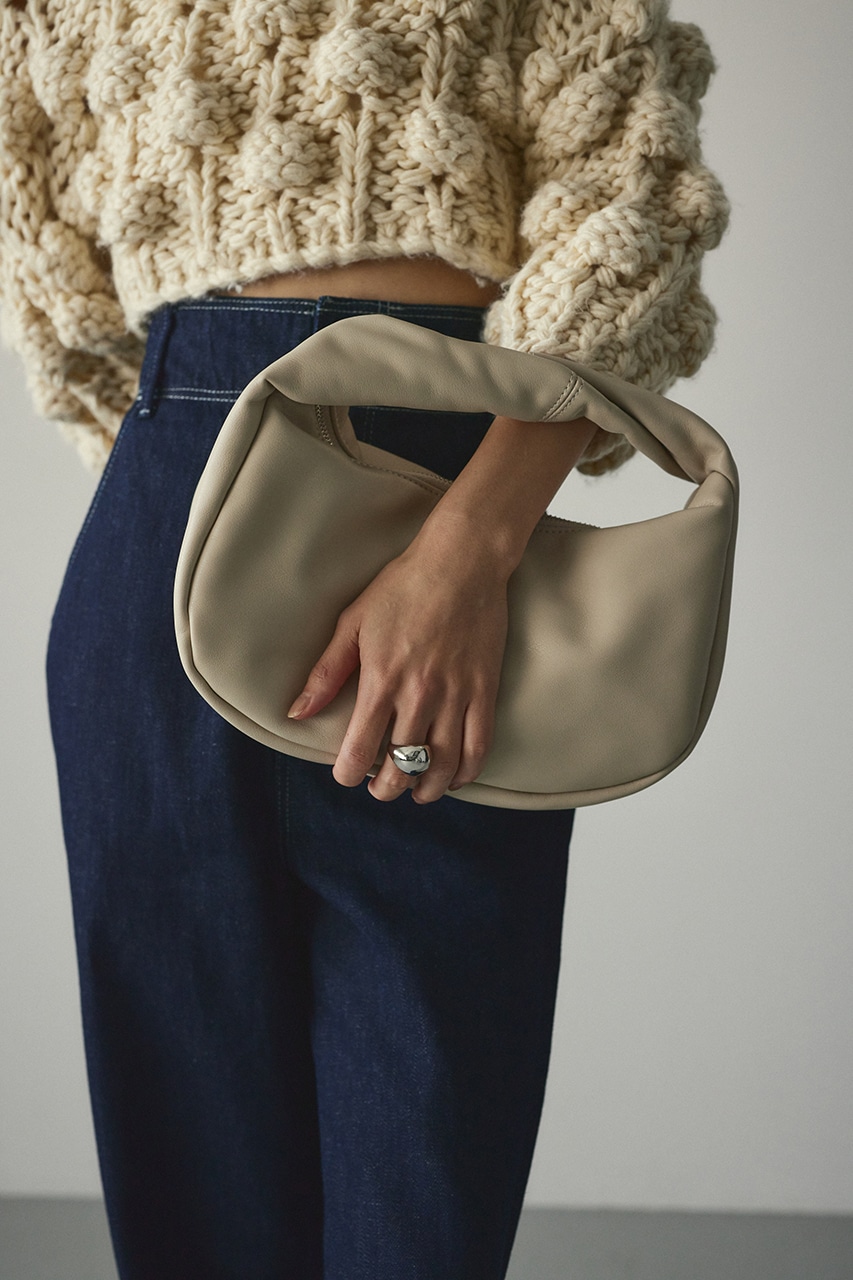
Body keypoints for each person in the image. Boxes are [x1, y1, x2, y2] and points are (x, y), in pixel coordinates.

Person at [0, 3, 729, 1278]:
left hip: (453, 483)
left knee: (427, 1155)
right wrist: (206, 518)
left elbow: (631, 198)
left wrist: (467, 551)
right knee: (190, 1169)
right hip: (173, 508)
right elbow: (42, 253)